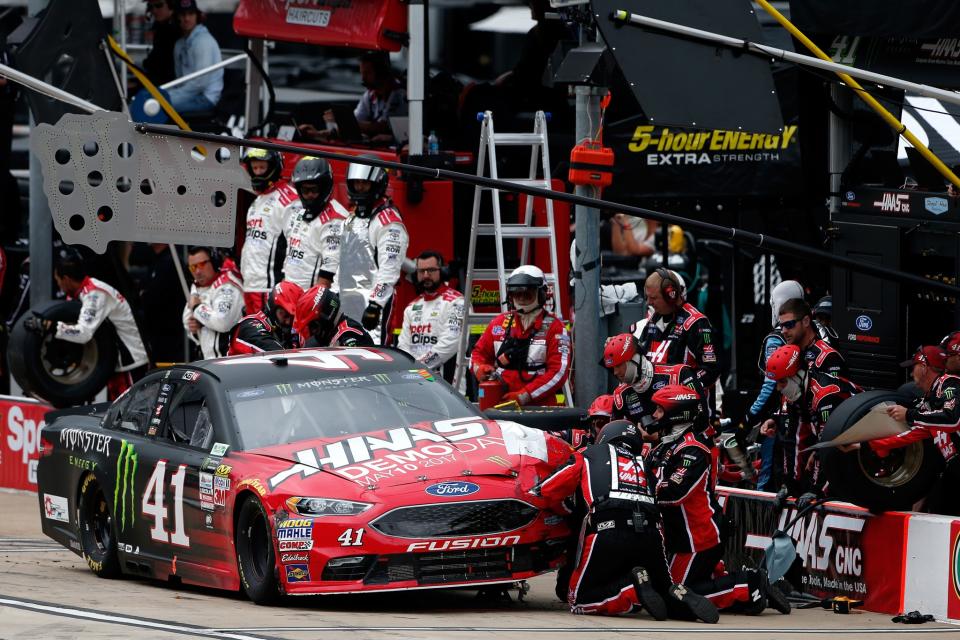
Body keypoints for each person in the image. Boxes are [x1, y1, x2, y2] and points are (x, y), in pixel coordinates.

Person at [532, 420, 719, 622]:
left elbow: (546, 490)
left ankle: (630, 589)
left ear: (605, 436)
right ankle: (674, 593)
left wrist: (560, 506)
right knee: (663, 590)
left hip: (608, 529)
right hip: (652, 535)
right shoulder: (644, 464)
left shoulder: (587, 453)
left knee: (578, 600)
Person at [647, 385, 791, 616]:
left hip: (698, 537)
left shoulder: (693, 450)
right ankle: (739, 588)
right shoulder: (663, 447)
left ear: (677, 413)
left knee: (675, 596)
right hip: (679, 537)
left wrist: (646, 490)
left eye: (659, 410)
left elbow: (674, 493)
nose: (654, 415)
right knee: (670, 588)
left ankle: (750, 583)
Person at [31, 250, 149, 400]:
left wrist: (52, 327)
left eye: (58, 281)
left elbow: (83, 333)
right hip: (117, 363)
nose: (59, 286)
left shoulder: (95, 294)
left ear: (66, 279)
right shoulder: (83, 292)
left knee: (133, 413)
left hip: (131, 363)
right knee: (118, 415)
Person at [323, 155, 408, 343]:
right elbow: (341, 261)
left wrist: (376, 304)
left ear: (377, 184)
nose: (360, 188)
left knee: (372, 354)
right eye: (357, 183)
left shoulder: (389, 222)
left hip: (370, 305)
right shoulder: (352, 218)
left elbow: (390, 269)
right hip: (344, 301)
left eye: (365, 184)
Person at [865, 346, 960, 515]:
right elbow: (913, 432)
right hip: (953, 470)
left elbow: (952, 419)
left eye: (913, 367)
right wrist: (868, 444)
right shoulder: (928, 400)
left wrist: (908, 414)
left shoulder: (951, 384)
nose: (910, 374)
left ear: (924, 367)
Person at [764, 344, 859, 500]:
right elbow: (793, 441)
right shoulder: (796, 395)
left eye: (782, 382)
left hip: (867, 440)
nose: (778, 389)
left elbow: (829, 445)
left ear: (797, 376)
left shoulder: (824, 395)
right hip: (842, 443)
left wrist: (817, 490)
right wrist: (789, 486)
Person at [471, 265, 571, 407]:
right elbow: (476, 356)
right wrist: (480, 369)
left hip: (538, 407)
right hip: (500, 403)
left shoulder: (556, 328)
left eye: (528, 293)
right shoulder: (498, 323)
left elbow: (558, 373)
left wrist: (524, 395)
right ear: (510, 295)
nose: (522, 298)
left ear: (541, 294)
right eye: (517, 293)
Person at [744, 280, 804, 491]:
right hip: (798, 412)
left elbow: (771, 383)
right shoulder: (813, 335)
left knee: (770, 472)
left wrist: (750, 415)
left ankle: (765, 518)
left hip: (783, 413)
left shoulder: (775, 339)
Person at [635, 269, 719, 414]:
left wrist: (681, 384)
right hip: (657, 411)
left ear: (671, 296)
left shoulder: (696, 323)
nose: (649, 302)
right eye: (647, 297)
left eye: (653, 298)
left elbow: (711, 370)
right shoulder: (653, 321)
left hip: (690, 413)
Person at [298, 51, 407, 144]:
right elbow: (355, 122)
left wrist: (343, 120)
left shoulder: (400, 94)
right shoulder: (369, 95)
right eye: (362, 73)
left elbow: (383, 127)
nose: (363, 78)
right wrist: (318, 133)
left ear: (382, 72)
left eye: (367, 73)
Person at [239, 148, 298, 314]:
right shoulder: (256, 202)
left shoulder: (289, 199)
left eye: (262, 168)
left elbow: (298, 244)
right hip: (250, 285)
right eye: (254, 168)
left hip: (271, 288)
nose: (257, 173)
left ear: (273, 167)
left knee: (271, 338)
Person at [602, 333, 702, 431]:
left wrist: (659, 436)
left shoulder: (679, 374)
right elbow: (616, 435)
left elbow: (701, 418)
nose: (615, 372)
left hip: (686, 444)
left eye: (619, 365)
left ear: (634, 359)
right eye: (613, 368)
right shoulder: (620, 395)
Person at [397, 251, 464, 379]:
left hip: (447, 385)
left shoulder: (457, 302)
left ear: (442, 271)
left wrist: (418, 368)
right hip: (415, 380)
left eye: (431, 270)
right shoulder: (411, 307)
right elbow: (403, 345)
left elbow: (450, 343)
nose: (426, 275)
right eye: (421, 271)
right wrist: (410, 370)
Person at [284, 156, 349, 290]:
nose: (309, 195)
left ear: (325, 187)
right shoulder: (298, 213)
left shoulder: (336, 219)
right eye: (305, 190)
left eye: (314, 190)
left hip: (314, 297)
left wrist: (316, 302)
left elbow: (329, 270)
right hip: (290, 292)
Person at [182, 246, 243, 359]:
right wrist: (196, 327)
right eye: (193, 267)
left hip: (231, 361)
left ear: (214, 262)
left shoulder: (228, 286)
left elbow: (222, 321)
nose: (198, 271)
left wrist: (197, 308)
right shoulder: (197, 287)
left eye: (202, 264)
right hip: (210, 362)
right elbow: (187, 320)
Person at [166, 0, 222, 116]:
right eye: (182, 14)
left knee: (157, 106)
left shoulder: (204, 41)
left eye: (191, 14)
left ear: (197, 16)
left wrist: (170, 96)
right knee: (151, 101)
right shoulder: (179, 44)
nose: (187, 18)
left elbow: (200, 83)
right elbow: (179, 80)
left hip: (205, 98)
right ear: (177, 17)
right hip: (190, 94)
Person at [138, 243, 187, 363]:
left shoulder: (171, 261)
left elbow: (156, 296)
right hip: (156, 331)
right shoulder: (156, 260)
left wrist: (144, 295)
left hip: (169, 333)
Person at [228, 280, 302, 356]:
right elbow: (281, 356)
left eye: (293, 317)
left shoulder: (295, 332)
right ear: (272, 308)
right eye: (284, 315)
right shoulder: (250, 326)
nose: (288, 322)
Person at [777, 298, 846, 378]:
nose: (783, 331)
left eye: (789, 324)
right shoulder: (784, 349)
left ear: (806, 321)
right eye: (781, 326)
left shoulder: (827, 356)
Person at [294, 284, 374, 348]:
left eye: (313, 327)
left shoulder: (347, 335)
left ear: (325, 317)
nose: (313, 332)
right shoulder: (333, 334)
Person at [141, 0, 179, 87]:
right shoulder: (160, 27)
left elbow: (163, 65)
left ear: (171, 5)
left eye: (159, 5)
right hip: (158, 80)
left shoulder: (174, 30)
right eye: (150, 7)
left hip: (169, 84)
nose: (154, 10)